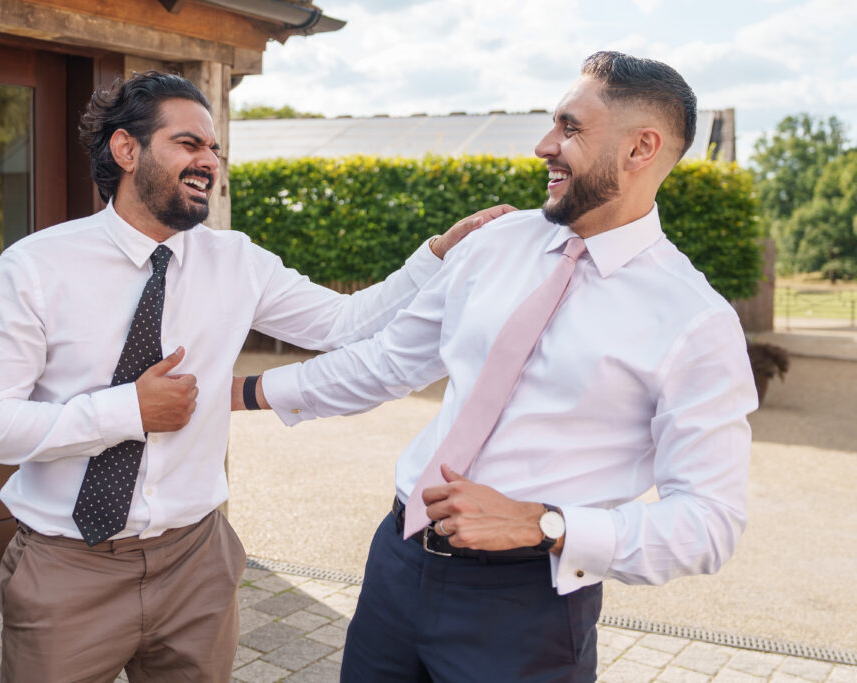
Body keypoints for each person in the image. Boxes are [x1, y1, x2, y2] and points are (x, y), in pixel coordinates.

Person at [0, 70, 512, 682]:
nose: (209, 161)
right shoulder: (36, 267)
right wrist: (126, 411)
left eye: (214, 149)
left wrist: (435, 255)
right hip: (68, 568)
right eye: (189, 144)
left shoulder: (237, 260)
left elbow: (345, 322)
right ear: (126, 149)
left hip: (198, 563)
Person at [238, 51, 758, 681]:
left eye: (570, 128)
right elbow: (386, 362)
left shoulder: (696, 322)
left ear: (640, 148)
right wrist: (240, 392)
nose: (545, 146)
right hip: (396, 564)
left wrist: (544, 524)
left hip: (528, 608)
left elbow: (709, 522)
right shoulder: (494, 245)